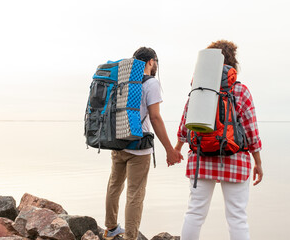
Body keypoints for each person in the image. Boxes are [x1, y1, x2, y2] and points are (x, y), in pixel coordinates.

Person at [175, 40, 263, 240]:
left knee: (194, 213)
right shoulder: (241, 91)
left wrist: (177, 148)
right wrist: (258, 163)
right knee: (237, 217)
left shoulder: (199, 89)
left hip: (201, 158)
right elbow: (251, 132)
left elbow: (184, 125)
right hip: (235, 159)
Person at [103, 47, 183, 240]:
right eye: (156, 62)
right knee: (135, 194)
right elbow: (155, 118)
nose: (156, 66)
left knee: (114, 185)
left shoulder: (122, 80)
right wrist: (170, 149)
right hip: (139, 147)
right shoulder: (151, 83)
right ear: (150, 62)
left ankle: (111, 228)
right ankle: (131, 237)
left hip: (118, 141)